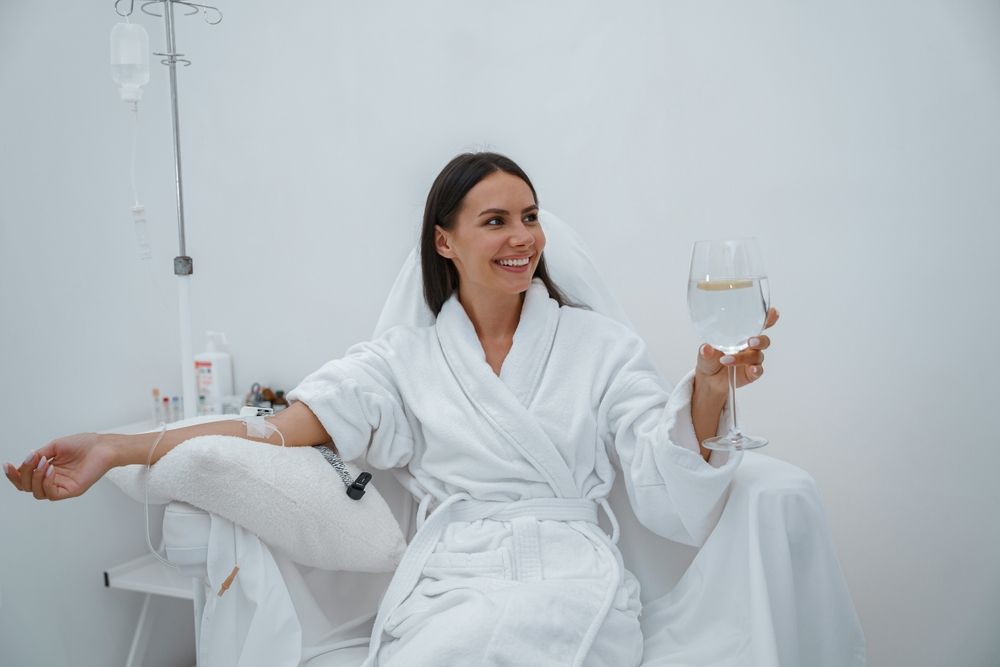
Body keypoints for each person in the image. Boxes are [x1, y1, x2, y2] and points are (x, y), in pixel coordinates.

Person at [6, 152, 779, 666]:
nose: (524, 238)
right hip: (454, 574)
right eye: (496, 220)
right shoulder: (401, 363)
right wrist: (116, 445)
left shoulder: (599, 344)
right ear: (443, 242)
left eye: (531, 216)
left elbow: (655, 460)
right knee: (460, 644)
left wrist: (711, 385)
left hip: (570, 569)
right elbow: (272, 430)